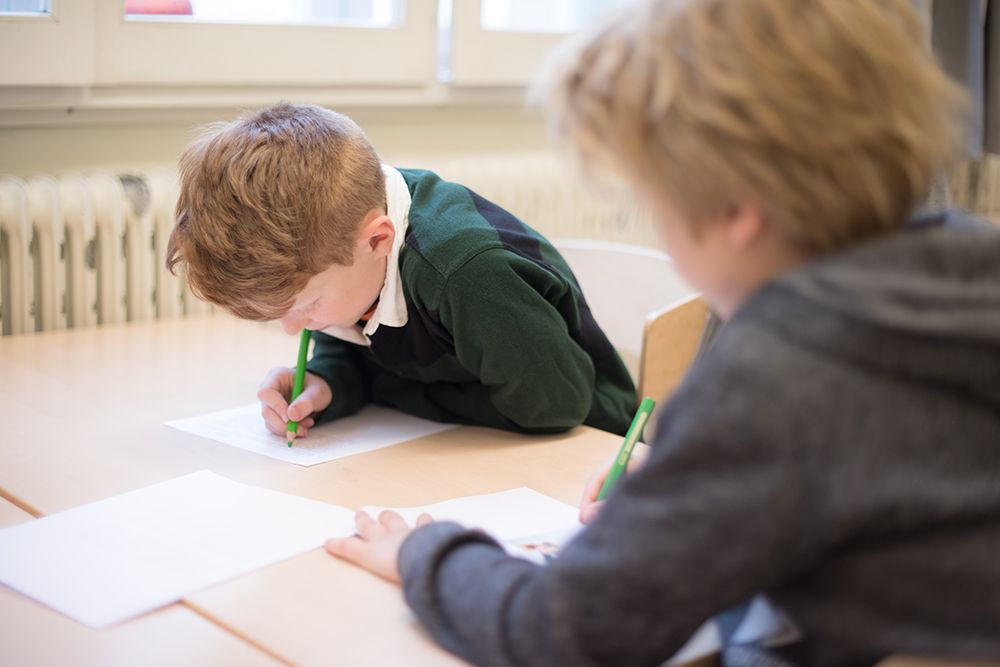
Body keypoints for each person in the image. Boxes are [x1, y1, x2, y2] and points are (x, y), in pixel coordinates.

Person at [324, 0, 1000, 664]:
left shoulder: (776, 377)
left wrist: (425, 554)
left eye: (657, 205)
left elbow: (563, 630)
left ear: (736, 210)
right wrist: (704, 464)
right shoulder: (971, 261)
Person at [166, 103, 637, 439]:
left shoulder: (468, 274)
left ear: (378, 239)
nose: (292, 329)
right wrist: (329, 380)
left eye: (307, 306)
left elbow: (553, 406)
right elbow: (371, 343)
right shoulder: (344, 231)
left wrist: (382, 387)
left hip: (584, 455)